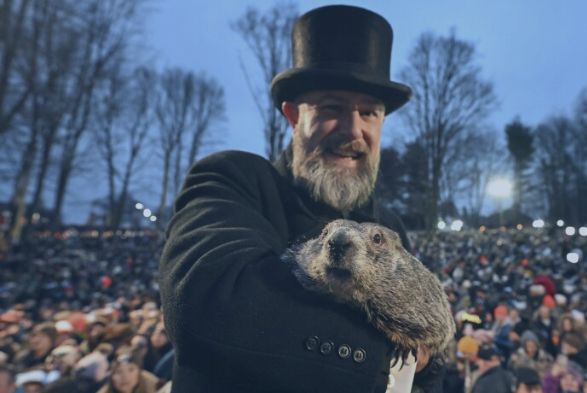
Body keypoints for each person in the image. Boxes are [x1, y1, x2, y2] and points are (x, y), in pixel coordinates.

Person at [159, 5, 436, 393]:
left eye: (368, 112)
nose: (352, 130)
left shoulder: (387, 223)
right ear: (293, 116)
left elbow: (428, 346)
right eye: (331, 108)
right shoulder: (234, 179)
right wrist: (385, 359)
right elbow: (208, 300)